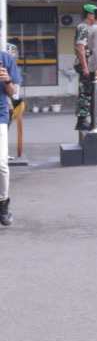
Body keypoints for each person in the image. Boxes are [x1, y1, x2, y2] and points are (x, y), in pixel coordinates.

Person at [0, 41, 21, 226]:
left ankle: (3, 202)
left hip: (0, 115)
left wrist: (7, 80)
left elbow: (13, 93)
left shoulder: (5, 59)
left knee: (1, 164)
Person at [73, 4, 97, 132]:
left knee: (87, 91)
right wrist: (85, 68)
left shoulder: (88, 27)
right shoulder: (83, 27)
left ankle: (84, 119)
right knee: (85, 91)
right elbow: (80, 48)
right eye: (96, 15)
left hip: (88, 63)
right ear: (90, 15)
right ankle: (82, 120)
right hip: (86, 64)